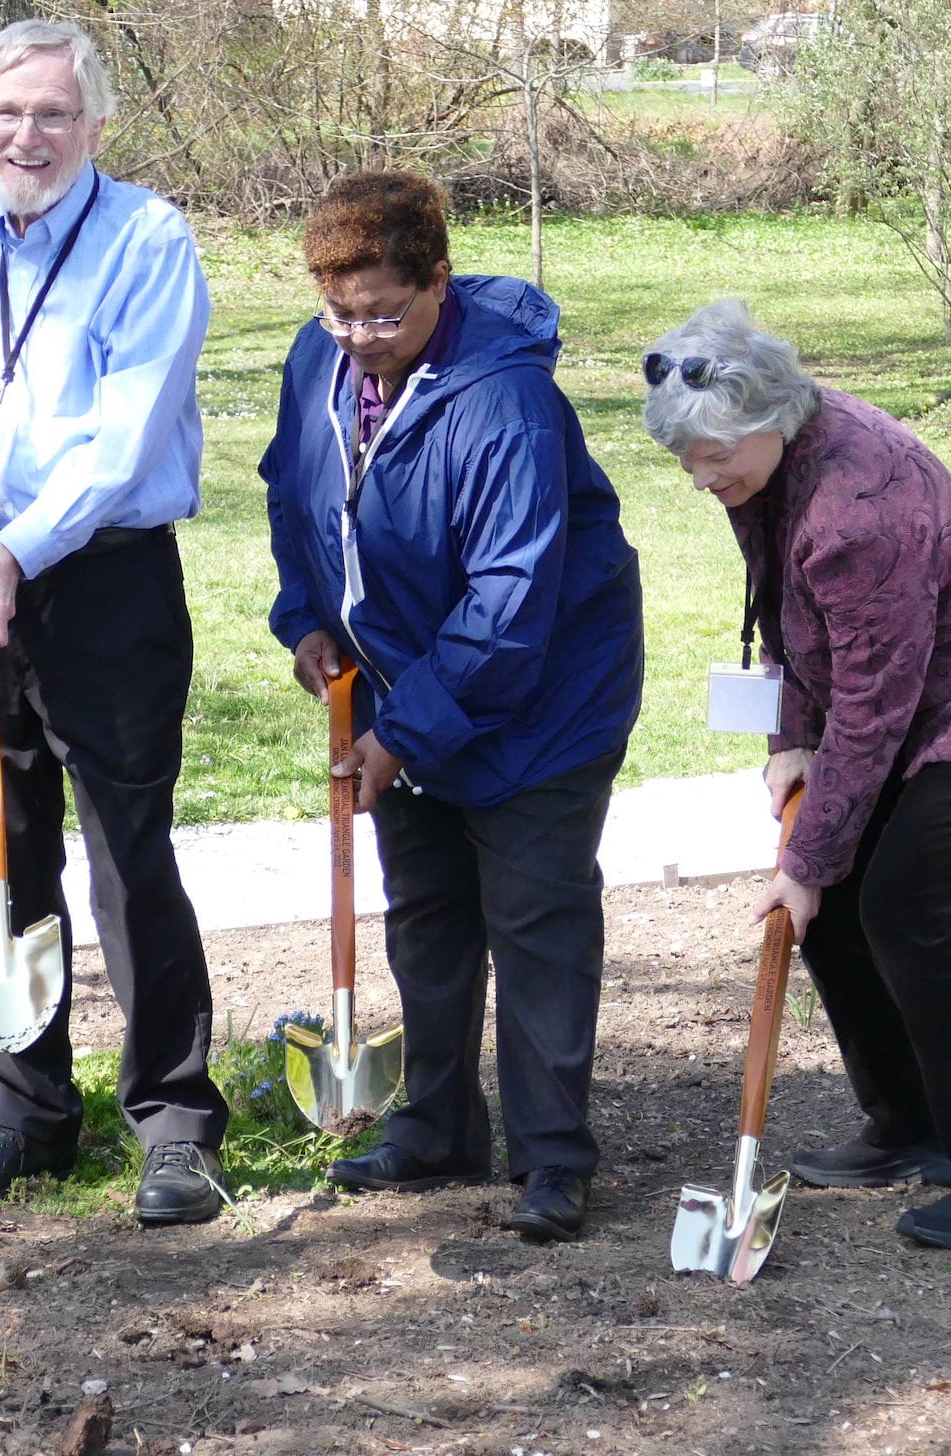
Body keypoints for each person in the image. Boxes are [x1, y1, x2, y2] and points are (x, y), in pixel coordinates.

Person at [0, 17, 230, 1226]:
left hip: (102, 573)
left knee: (129, 854)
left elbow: (125, 440)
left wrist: (22, 546)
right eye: (8, 113)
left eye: (54, 115)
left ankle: (173, 1119)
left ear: (95, 126)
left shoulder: (148, 240)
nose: (29, 135)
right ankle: (28, 1112)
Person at [641, 297, 951, 1252]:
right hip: (914, 698)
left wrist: (807, 859)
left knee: (905, 913)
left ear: (770, 416)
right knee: (845, 910)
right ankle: (911, 1126)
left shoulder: (859, 507)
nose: (701, 475)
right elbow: (789, 607)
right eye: (687, 457)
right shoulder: (767, 459)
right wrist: (788, 736)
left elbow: (875, 706)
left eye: (716, 453)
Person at [258, 172, 643, 1244]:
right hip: (400, 681)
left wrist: (402, 736)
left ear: (439, 281)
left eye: (385, 311)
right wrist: (306, 621)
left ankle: (554, 1157)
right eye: (339, 312)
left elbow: (511, 602)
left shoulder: (504, 402)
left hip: (541, 700)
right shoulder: (316, 362)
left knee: (534, 923)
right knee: (426, 915)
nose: (359, 336)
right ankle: (436, 1126)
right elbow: (294, 499)